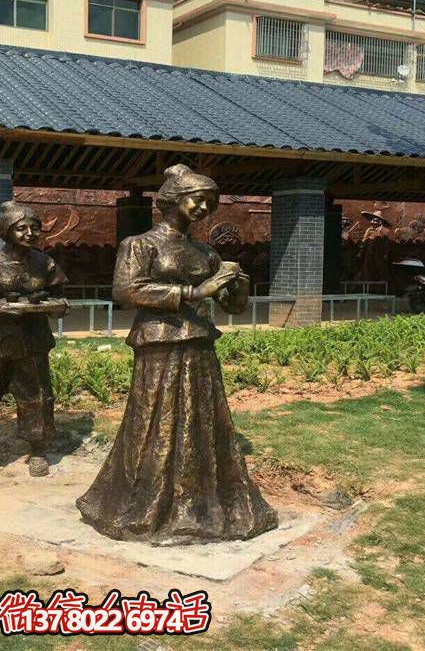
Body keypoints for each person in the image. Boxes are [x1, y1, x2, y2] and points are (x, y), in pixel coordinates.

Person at [76, 164, 277, 545]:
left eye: (210, 203)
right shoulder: (141, 245)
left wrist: (238, 286)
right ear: (172, 200)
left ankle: (198, 505)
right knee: (155, 419)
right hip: (159, 342)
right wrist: (193, 292)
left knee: (200, 420)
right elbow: (125, 291)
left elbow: (232, 306)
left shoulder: (205, 252)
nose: (204, 208)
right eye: (197, 200)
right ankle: (145, 503)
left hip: (198, 342)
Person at [0, 201, 68, 482]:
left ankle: (38, 449)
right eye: (21, 228)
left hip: (33, 339)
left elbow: (60, 298)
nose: (29, 234)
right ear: (6, 231)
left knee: (37, 395)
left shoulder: (45, 263)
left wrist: (54, 306)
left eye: (35, 228)